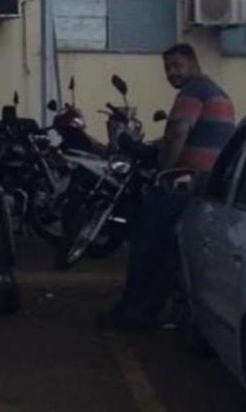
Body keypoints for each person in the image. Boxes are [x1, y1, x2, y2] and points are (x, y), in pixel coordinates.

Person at [98, 43, 235, 331]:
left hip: (184, 183)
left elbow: (177, 133)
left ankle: (133, 313)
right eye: (167, 69)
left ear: (193, 63)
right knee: (167, 252)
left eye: (177, 65)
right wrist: (146, 149)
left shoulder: (193, 91)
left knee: (146, 245)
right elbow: (186, 137)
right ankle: (154, 309)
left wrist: (163, 173)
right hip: (206, 184)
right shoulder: (216, 92)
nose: (172, 73)